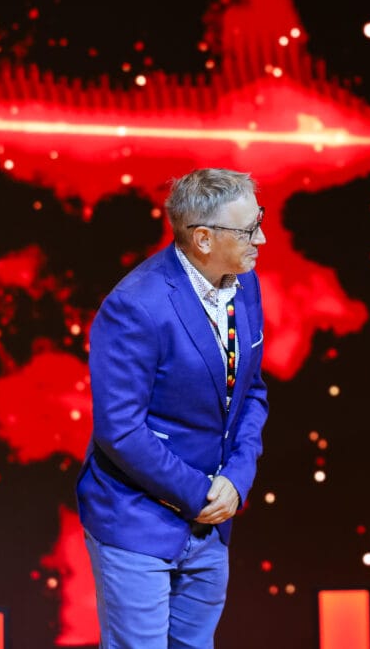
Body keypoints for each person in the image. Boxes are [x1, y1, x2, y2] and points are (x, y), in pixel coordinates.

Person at [77, 168, 269, 648]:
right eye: (248, 229)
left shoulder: (245, 286)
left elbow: (251, 393)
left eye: (258, 220)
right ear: (202, 238)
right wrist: (201, 493)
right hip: (137, 517)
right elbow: (120, 431)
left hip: (211, 521)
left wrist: (237, 481)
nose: (261, 238)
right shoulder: (136, 306)